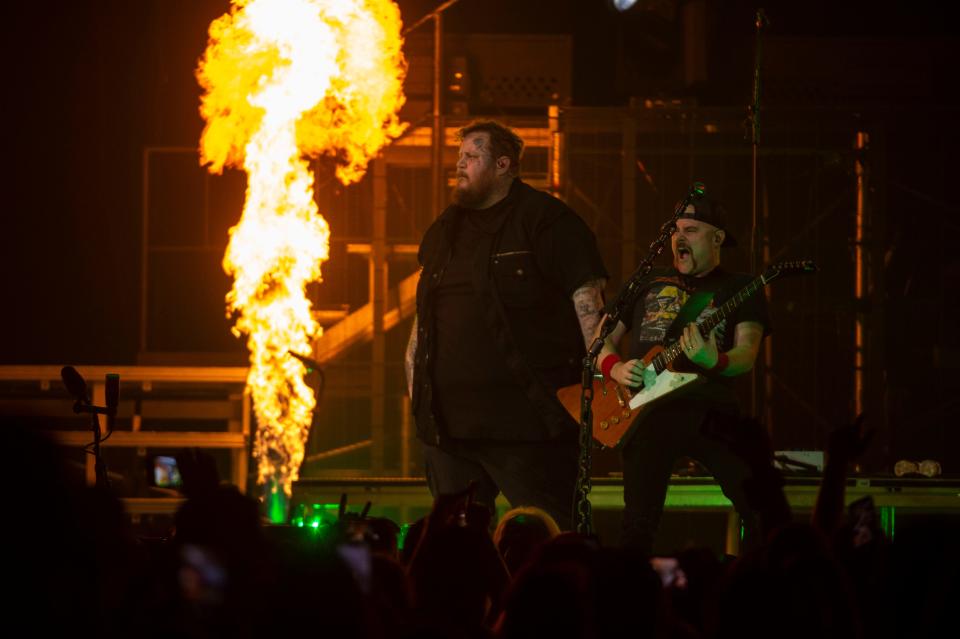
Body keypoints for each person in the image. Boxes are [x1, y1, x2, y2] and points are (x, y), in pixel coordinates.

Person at [405, 120, 608, 529]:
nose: (460, 164)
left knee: (551, 540)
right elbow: (423, 320)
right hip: (449, 431)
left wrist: (602, 383)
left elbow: (590, 304)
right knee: (455, 547)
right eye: (459, 156)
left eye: (472, 157)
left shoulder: (546, 221)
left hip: (526, 430)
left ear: (503, 165)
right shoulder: (443, 231)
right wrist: (416, 391)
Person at [597, 198, 770, 554]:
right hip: (647, 413)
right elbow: (601, 340)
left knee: (760, 507)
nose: (679, 238)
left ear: (717, 238)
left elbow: (746, 355)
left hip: (712, 410)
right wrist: (615, 368)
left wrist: (713, 359)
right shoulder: (647, 280)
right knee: (638, 524)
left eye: (690, 230)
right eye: (675, 230)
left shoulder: (741, 287)